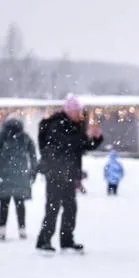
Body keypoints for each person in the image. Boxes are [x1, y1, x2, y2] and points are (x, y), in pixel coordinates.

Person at [35, 94, 103, 254]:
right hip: (55, 172)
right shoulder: (57, 124)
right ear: (69, 111)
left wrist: (96, 138)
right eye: (76, 111)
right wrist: (83, 139)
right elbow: (68, 144)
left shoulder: (75, 126)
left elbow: (82, 146)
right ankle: (43, 241)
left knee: (70, 208)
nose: (78, 114)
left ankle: (67, 241)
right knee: (53, 208)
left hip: (69, 173)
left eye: (79, 112)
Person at [0, 117, 38, 241]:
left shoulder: (1, 136)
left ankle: (1, 229)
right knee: (20, 204)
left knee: (4, 203)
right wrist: (33, 171)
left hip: (3, 174)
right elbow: (33, 155)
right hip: (20, 174)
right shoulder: (25, 137)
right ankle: (22, 230)